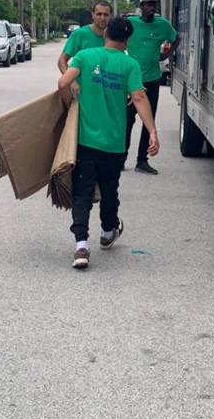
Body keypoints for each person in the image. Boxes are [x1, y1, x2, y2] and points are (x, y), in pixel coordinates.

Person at [57, 17, 159, 270]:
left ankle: (81, 246)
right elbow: (138, 96)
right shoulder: (129, 64)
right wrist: (152, 131)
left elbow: (62, 82)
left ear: (105, 35)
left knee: (82, 191)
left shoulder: (85, 56)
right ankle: (107, 232)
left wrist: (71, 99)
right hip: (114, 143)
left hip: (85, 141)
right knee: (109, 190)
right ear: (127, 41)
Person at [124, 0, 178, 174]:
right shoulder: (131, 23)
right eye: (148, 4)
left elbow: (175, 39)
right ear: (141, 6)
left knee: (148, 121)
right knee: (127, 121)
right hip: (132, 81)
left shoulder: (162, 24)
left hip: (153, 80)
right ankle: (121, 158)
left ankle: (142, 161)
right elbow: (114, 37)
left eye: (154, 4)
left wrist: (165, 55)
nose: (152, 7)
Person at [57, 0, 112, 75]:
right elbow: (62, 60)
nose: (102, 18)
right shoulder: (79, 34)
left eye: (106, 15)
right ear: (93, 15)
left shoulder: (114, 36)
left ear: (110, 16)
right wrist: (72, 82)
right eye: (99, 14)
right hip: (82, 85)